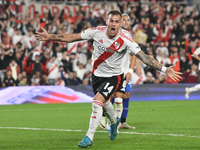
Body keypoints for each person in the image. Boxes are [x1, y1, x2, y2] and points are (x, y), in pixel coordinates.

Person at [35, 10, 182, 148]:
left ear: (120, 24)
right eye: (111, 21)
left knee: (96, 102)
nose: (113, 24)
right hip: (97, 76)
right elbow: (72, 37)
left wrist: (164, 69)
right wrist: (50, 37)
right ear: (107, 21)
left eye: (117, 22)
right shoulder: (96, 32)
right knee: (105, 104)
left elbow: (143, 57)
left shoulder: (125, 39)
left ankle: (89, 136)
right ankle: (114, 122)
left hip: (114, 77)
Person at [99, 14, 142, 130]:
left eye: (128, 20)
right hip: (114, 70)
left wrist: (133, 67)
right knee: (114, 95)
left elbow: (132, 53)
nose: (127, 22)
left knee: (126, 94)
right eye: (124, 20)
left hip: (125, 69)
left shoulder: (128, 35)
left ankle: (122, 121)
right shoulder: (114, 35)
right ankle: (105, 118)